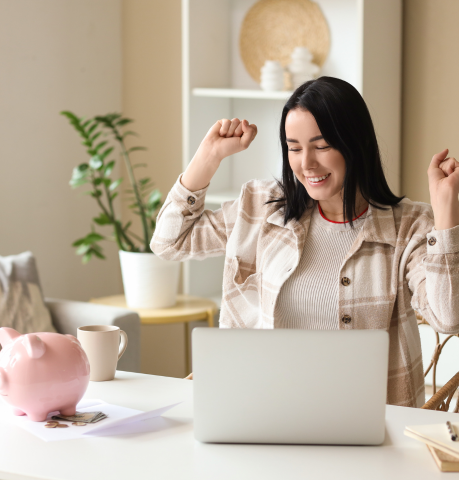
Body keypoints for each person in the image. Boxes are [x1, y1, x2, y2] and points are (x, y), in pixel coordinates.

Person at [151, 76, 459, 408]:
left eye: (322, 145)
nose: (306, 163)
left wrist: (446, 214)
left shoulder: (409, 227)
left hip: (363, 423)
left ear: (356, 143)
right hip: (257, 408)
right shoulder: (260, 205)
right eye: (294, 148)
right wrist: (208, 156)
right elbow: (170, 242)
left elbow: (448, 318)